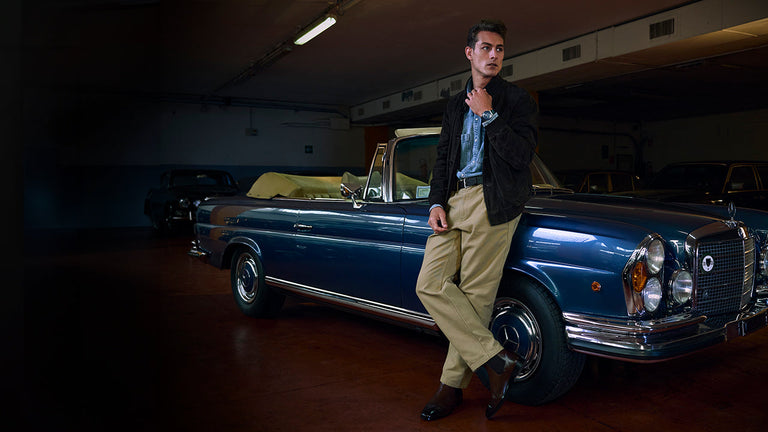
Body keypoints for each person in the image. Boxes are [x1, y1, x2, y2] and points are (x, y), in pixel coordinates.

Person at [415, 19, 538, 421]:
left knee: (475, 297)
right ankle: (496, 360)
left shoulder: (517, 101)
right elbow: (443, 159)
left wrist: (489, 115)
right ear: (470, 53)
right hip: (455, 200)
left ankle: (450, 387)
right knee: (429, 284)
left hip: (494, 201)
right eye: (486, 48)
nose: (494, 55)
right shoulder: (454, 105)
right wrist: (436, 203)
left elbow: (521, 157)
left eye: (500, 49)